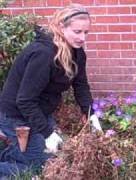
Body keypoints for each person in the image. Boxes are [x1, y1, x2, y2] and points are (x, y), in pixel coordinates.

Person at [0, 4, 93, 177]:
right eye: (77, 31)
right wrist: (47, 133)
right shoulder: (43, 54)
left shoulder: (77, 53)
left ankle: (20, 154)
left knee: (59, 156)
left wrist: (91, 114)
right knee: (40, 167)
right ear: (61, 27)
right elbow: (25, 100)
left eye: (86, 32)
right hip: (16, 117)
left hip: (40, 113)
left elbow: (81, 85)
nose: (82, 38)